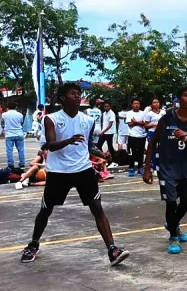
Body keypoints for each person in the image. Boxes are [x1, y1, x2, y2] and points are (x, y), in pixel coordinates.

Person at [20, 83, 129, 265]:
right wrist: (68, 140)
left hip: (83, 170)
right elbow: (50, 145)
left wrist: (102, 154)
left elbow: (88, 146)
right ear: (63, 98)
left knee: (97, 208)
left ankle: (113, 249)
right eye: (73, 94)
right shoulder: (51, 119)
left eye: (79, 94)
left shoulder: (87, 120)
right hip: (58, 172)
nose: (77, 96)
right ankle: (33, 244)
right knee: (45, 211)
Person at [143, 85, 187, 254]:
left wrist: (185, 138)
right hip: (167, 167)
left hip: (186, 167)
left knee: (185, 202)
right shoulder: (167, 118)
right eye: (186, 95)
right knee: (171, 203)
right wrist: (147, 168)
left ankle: (173, 224)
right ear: (179, 99)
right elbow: (152, 143)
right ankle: (173, 237)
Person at [125, 100, 148, 177]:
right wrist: (139, 123)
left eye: (138, 103)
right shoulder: (129, 113)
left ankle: (140, 167)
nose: (136, 105)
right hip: (132, 136)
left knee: (141, 153)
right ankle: (131, 168)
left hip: (142, 136)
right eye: (134, 103)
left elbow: (144, 124)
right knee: (132, 153)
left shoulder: (143, 113)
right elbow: (130, 124)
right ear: (132, 105)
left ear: (140, 105)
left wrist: (135, 122)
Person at [2, 103, 26, 170]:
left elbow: (3, 122)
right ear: (16, 107)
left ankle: (11, 165)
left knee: (9, 150)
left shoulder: (4, 115)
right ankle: (22, 164)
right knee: (21, 150)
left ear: (8, 107)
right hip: (19, 133)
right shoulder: (20, 115)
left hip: (9, 134)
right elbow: (21, 122)